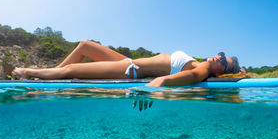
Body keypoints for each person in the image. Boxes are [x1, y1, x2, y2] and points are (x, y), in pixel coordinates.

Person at [13, 40, 240, 87]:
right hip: (127, 61)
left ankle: (29, 73)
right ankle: (52, 75)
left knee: (71, 70)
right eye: (221, 54)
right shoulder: (200, 61)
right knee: (84, 46)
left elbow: (191, 78)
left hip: (130, 70)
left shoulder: (203, 69)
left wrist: (160, 82)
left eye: (223, 61)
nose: (217, 57)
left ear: (221, 71)